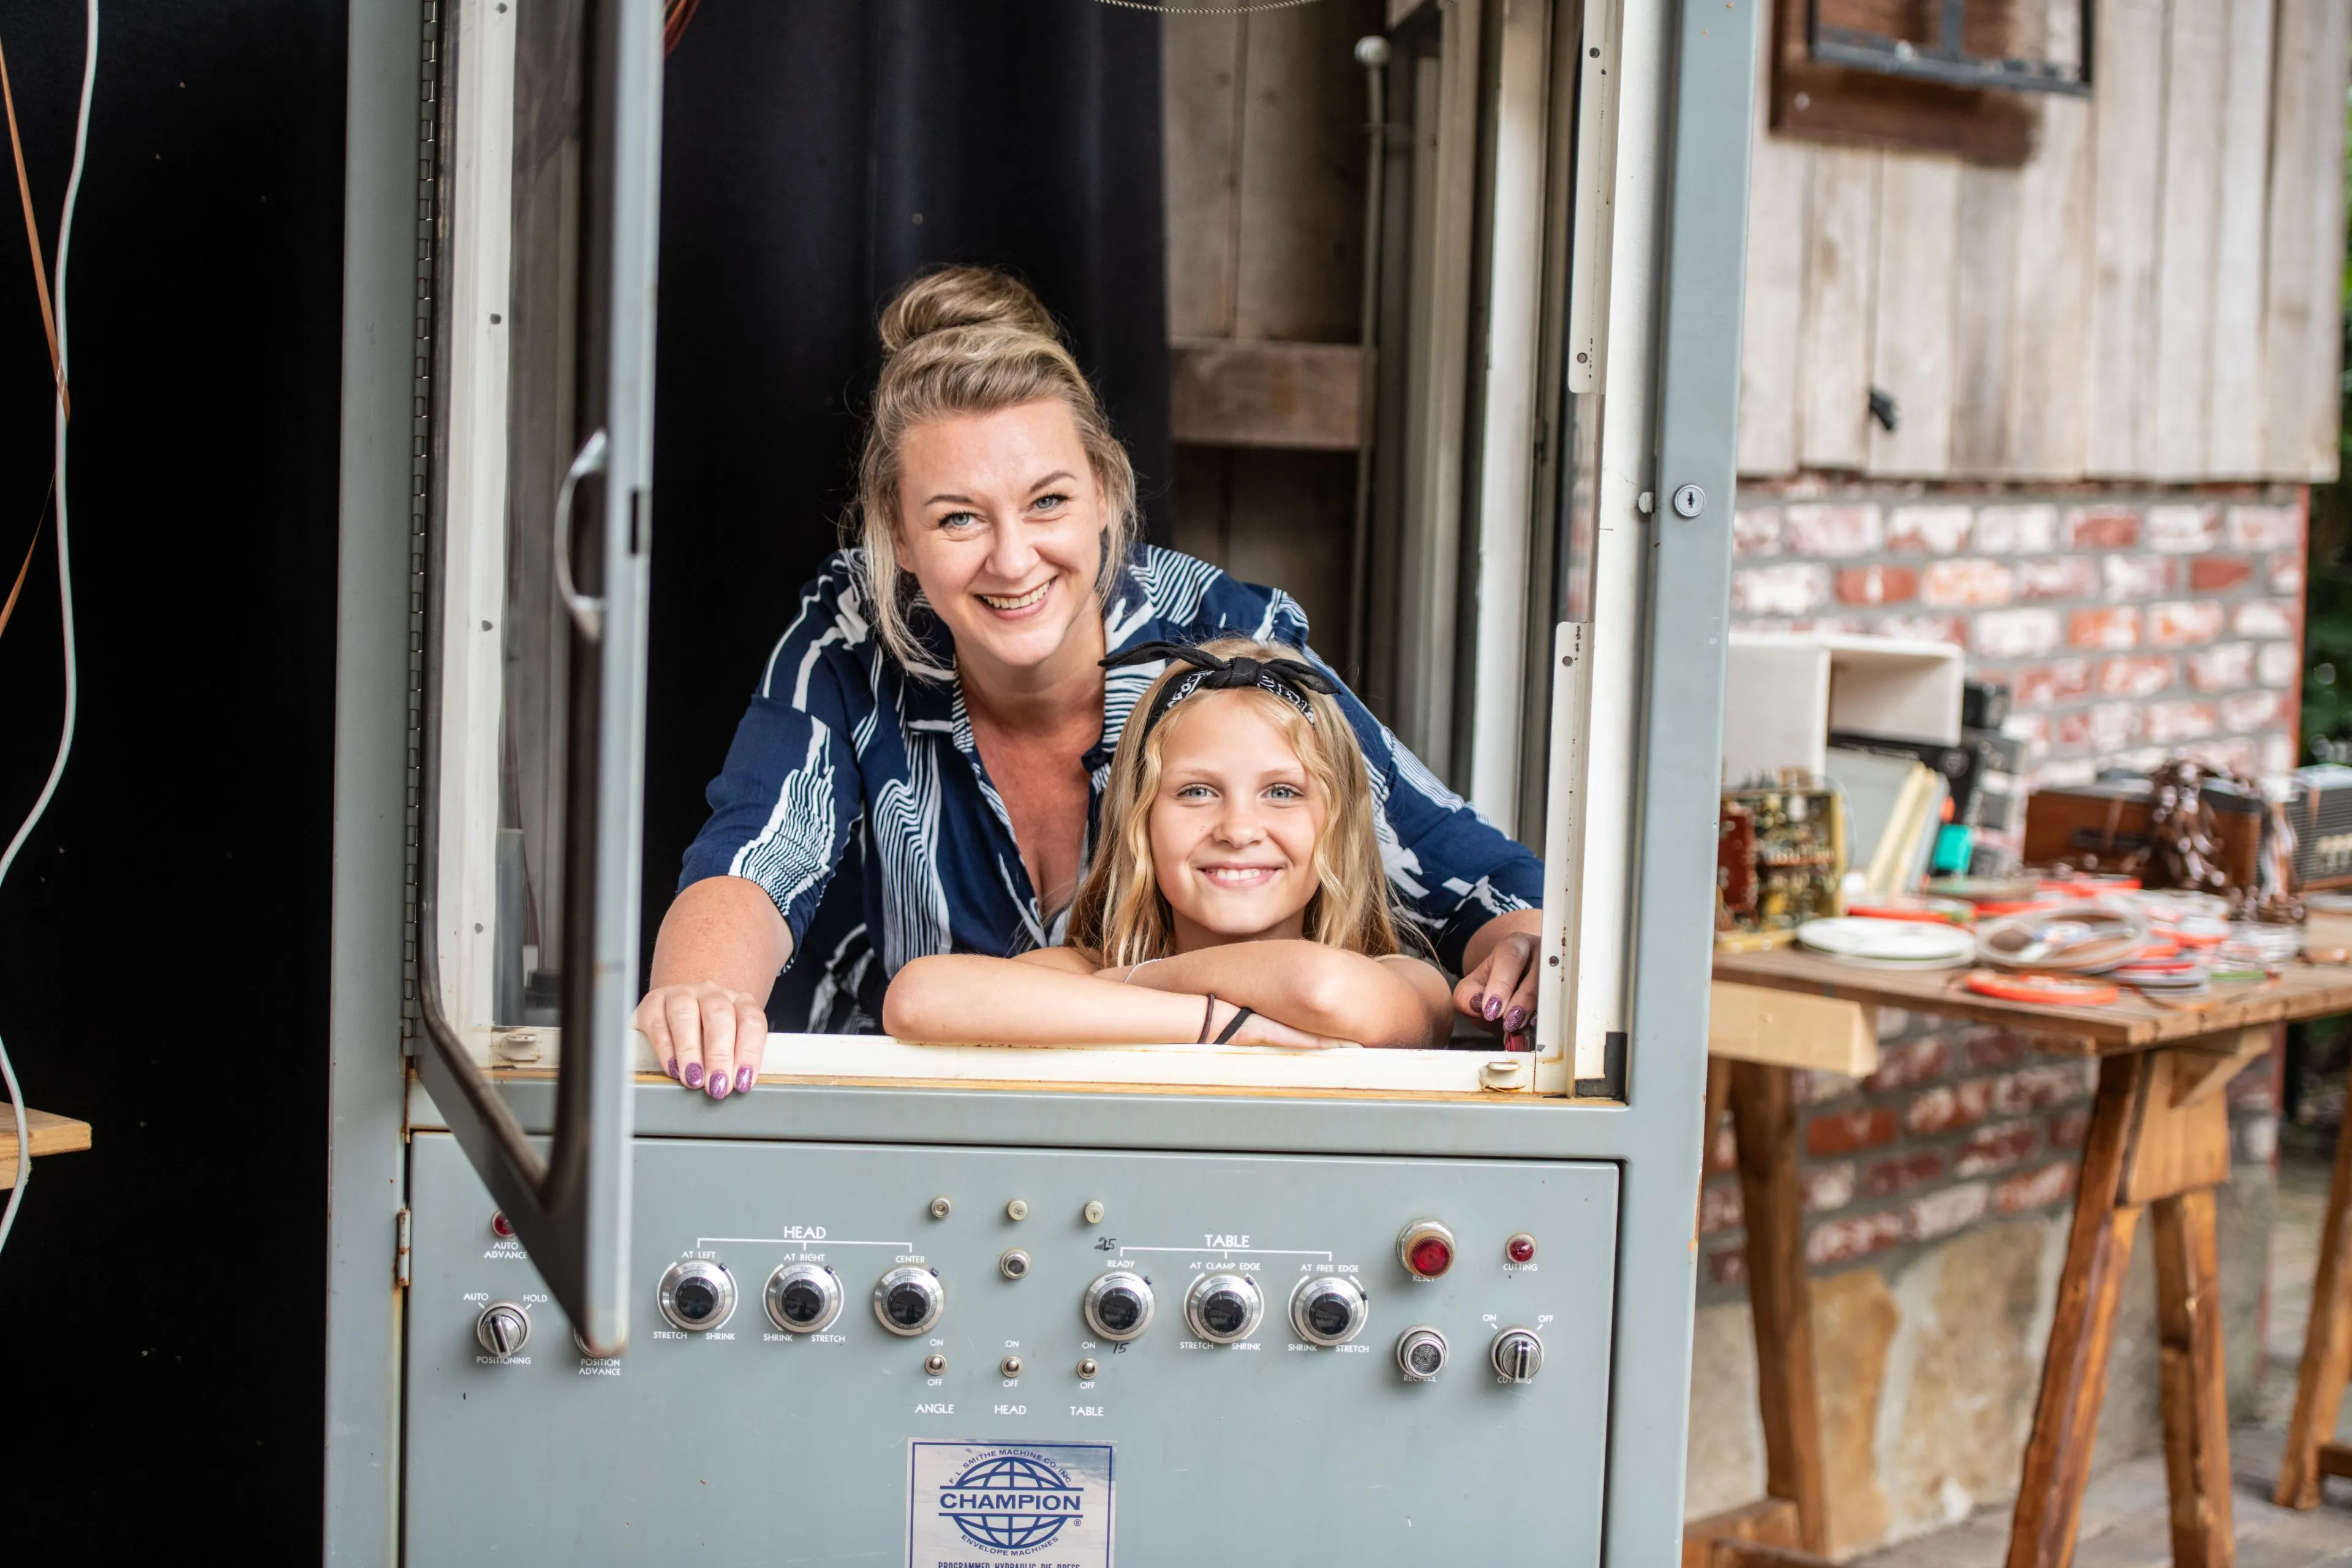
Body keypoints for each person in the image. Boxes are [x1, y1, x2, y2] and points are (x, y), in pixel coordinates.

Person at [636, 265, 1545, 1099]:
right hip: (916, 1126)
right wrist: (702, 996)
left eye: (1048, 501)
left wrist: (1524, 950)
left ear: (1107, 492)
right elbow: (756, 854)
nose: (1013, 558)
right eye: (958, 518)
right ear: (898, 536)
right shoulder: (851, 631)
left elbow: (1459, 871)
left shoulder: (1222, 639)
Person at [882, 639, 1456, 1049]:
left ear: (1338, 822)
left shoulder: (1406, 981)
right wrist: (1210, 1023)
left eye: (1282, 792)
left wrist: (1127, 988)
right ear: (1141, 821)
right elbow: (918, 999)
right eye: (1197, 791)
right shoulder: (1093, 966)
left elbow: (1321, 989)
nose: (1237, 829)